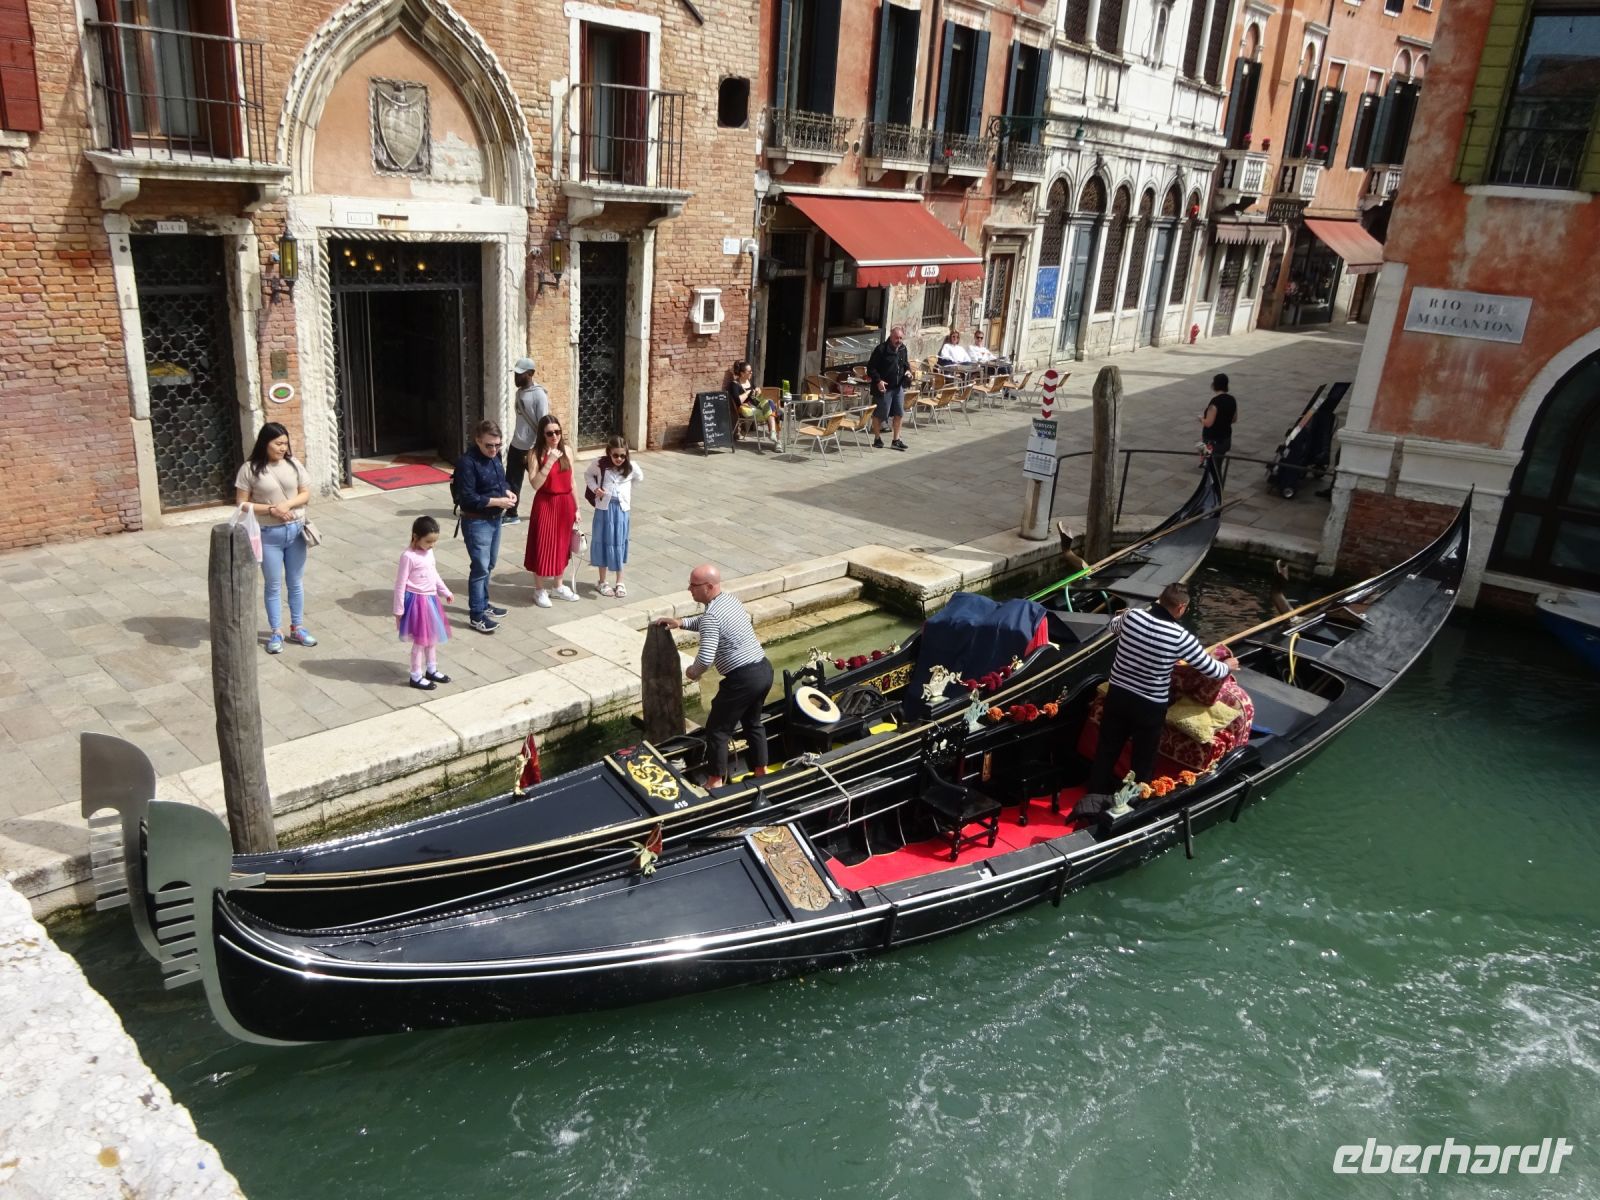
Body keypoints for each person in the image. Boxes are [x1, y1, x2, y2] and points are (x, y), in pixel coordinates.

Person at [1076, 582, 1230, 816]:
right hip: (1148, 706)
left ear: (1160, 599)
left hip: (1118, 696)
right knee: (1142, 761)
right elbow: (1212, 670)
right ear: (1180, 608)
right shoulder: (1181, 637)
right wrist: (1228, 665)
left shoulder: (1132, 617)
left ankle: (1094, 795)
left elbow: (1113, 626)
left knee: (1107, 749)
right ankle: (1131, 809)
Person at [656, 564, 773, 789]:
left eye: (693, 585)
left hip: (743, 679)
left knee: (717, 729)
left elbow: (706, 657)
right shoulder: (729, 601)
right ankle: (761, 772)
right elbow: (708, 623)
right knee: (753, 723)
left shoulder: (712, 615)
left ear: (709, 587)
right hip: (763, 670)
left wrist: (693, 672)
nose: (689, 588)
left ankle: (715, 782)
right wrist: (681, 623)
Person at [235, 422, 317, 655]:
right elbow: (242, 504)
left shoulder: (293, 464)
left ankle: (297, 627)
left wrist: (287, 505)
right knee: (272, 584)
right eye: (278, 443)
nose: (283, 447)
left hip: (296, 531)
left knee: (296, 582)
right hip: (269, 534)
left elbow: (305, 493)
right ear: (265, 443)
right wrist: (271, 510)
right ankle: (276, 631)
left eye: (285, 443)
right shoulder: (249, 469)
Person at [454, 419, 517, 634]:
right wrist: (499, 502)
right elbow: (468, 498)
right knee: (480, 567)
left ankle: (484, 603)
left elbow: (500, 482)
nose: (494, 450)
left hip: (494, 519)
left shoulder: (495, 456)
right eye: (489, 445)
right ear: (477, 441)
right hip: (476, 521)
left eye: (497, 445)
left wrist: (507, 491)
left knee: (489, 564)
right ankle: (476, 615)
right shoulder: (466, 463)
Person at [524, 413, 579, 607]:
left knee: (562, 546)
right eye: (550, 433)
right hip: (545, 504)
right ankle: (539, 590)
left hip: (565, 504)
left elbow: (572, 482)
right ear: (542, 435)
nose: (554, 436)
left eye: (557, 432)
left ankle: (558, 586)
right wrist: (549, 461)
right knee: (542, 546)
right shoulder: (534, 454)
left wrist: (577, 508)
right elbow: (535, 484)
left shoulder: (568, 451)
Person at [393, 515, 454, 691]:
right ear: (415, 536)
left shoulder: (429, 553)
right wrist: (398, 609)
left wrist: (445, 591)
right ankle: (415, 675)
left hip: (431, 600)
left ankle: (432, 669)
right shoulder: (408, 556)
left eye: (434, 542)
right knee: (420, 641)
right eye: (428, 541)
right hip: (417, 603)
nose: (431, 545)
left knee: (431, 638)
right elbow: (400, 584)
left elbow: (434, 574)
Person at [585, 435, 642, 599]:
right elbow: (588, 475)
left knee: (619, 543)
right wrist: (596, 489)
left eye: (622, 456)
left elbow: (639, 478)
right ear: (609, 453)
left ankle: (620, 581)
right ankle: (602, 581)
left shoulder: (631, 467)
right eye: (615, 455)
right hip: (604, 509)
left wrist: (627, 493)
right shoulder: (599, 464)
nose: (619, 459)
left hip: (622, 511)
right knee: (602, 542)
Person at [505, 357, 549, 524]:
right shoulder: (519, 392)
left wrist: (538, 448)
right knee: (511, 481)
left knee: (540, 481)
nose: (516, 378)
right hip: (517, 444)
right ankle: (511, 513)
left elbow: (543, 423)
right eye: (515, 374)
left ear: (530, 374)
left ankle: (548, 510)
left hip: (530, 448)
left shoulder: (539, 395)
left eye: (520, 374)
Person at [867, 324, 914, 451]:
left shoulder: (903, 349)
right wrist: (878, 380)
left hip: (898, 387)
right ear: (891, 337)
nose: (899, 341)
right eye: (896, 338)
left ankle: (896, 440)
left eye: (901, 338)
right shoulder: (881, 349)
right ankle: (877, 438)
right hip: (884, 387)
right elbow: (870, 368)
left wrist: (908, 371)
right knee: (880, 414)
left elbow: (905, 364)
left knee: (899, 413)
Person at [727, 359, 777, 443]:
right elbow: (738, 401)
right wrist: (748, 392)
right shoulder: (734, 384)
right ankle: (775, 437)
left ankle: (773, 433)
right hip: (746, 409)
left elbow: (755, 396)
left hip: (756, 406)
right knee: (775, 412)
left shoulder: (749, 382)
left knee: (770, 403)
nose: (751, 373)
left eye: (751, 371)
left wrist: (758, 391)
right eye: (749, 371)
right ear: (742, 373)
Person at [1201, 373, 1238, 461]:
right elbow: (1234, 419)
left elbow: (1208, 423)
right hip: (1226, 439)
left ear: (1214, 385)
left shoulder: (1215, 402)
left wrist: (1201, 419)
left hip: (1213, 441)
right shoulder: (1232, 399)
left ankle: (1206, 465)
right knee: (1217, 465)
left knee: (1210, 466)